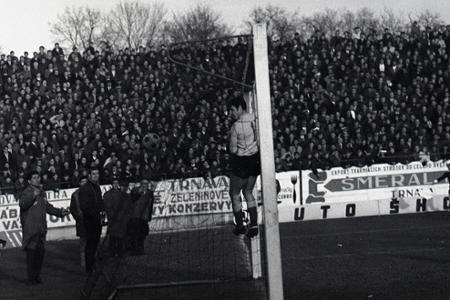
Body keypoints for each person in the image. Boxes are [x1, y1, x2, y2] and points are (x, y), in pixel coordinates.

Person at [19, 171, 69, 284]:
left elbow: (48, 207)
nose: (37, 179)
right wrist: (33, 195)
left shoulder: (42, 192)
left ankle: (36, 276)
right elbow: (22, 204)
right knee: (32, 254)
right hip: (31, 229)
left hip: (41, 228)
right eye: (34, 177)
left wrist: (60, 212)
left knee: (40, 254)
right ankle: (31, 279)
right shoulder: (27, 192)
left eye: (38, 177)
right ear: (29, 181)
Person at [228, 95, 260, 238]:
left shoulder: (236, 126)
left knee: (234, 193)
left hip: (241, 163)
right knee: (248, 192)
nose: (231, 114)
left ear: (240, 108)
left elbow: (233, 150)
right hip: (254, 161)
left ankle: (240, 226)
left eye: (232, 110)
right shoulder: (255, 118)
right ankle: (253, 225)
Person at [79, 167, 104, 273]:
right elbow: (84, 206)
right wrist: (95, 213)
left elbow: (99, 202)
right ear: (89, 175)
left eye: (97, 174)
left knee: (95, 243)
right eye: (93, 174)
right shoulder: (85, 188)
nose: (95, 176)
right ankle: (89, 267)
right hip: (90, 220)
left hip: (96, 219)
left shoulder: (96, 187)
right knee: (90, 244)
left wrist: (102, 210)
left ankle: (92, 265)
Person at [103, 178, 132, 257]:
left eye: (117, 183)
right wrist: (112, 216)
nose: (115, 184)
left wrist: (125, 217)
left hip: (122, 219)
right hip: (113, 219)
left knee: (121, 237)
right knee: (113, 237)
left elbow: (128, 207)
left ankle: (120, 252)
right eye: (114, 183)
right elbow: (107, 207)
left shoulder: (124, 194)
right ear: (111, 184)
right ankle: (112, 252)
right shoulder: (107, 194)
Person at [127, 179, 154, 255]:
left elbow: (150, 205)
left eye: (146, 184)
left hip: (144, 217)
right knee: (134, 234)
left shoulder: (149, 193)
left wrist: (149, 215)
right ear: (141, 184)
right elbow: (133, 197)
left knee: (142, 234)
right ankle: (134, 250)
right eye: (143, 184)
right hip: (135, 216)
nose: (145, 185)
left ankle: (140, 249)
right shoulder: (135, 190)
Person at [69, 176, 88, 269]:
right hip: (82, 222)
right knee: (83, 244)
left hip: (92, 221)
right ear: (79, 183)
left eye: (85, 181)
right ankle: (84, 264)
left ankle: (92, 261)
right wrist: (78, 217)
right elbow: (72, 209)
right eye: (82, 182)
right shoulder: (75, 195)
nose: (84, 183)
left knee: (92, 242)